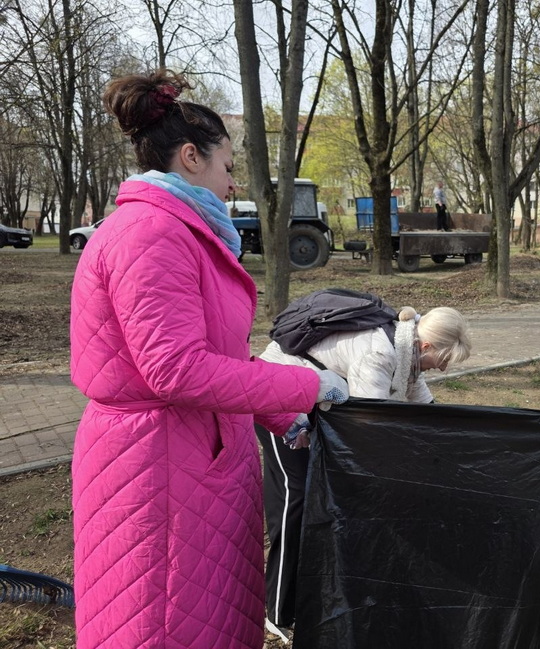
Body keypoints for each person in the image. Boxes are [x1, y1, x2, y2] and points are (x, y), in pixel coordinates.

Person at [69, 69, 349, 649]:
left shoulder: (180, 229)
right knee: (163, 626)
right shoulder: (150, 233)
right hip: (160, 471)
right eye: (227, 165)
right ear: (190, 157)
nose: (231, 182)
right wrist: (305, 389)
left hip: (194, 461)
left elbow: (215, 355)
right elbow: (174, 369)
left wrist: (282, 417)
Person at [255, 304, 472, 642]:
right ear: (426, 346)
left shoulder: (408, 352)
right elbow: (369, 425)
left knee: (322, 497)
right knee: (295, 498)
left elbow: (424, 409)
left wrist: (454, 448)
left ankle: (312, 588)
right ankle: (278, 610)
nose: (441, 369)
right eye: (441, 361)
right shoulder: (380, 353)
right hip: (278, 395)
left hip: (314, 399)